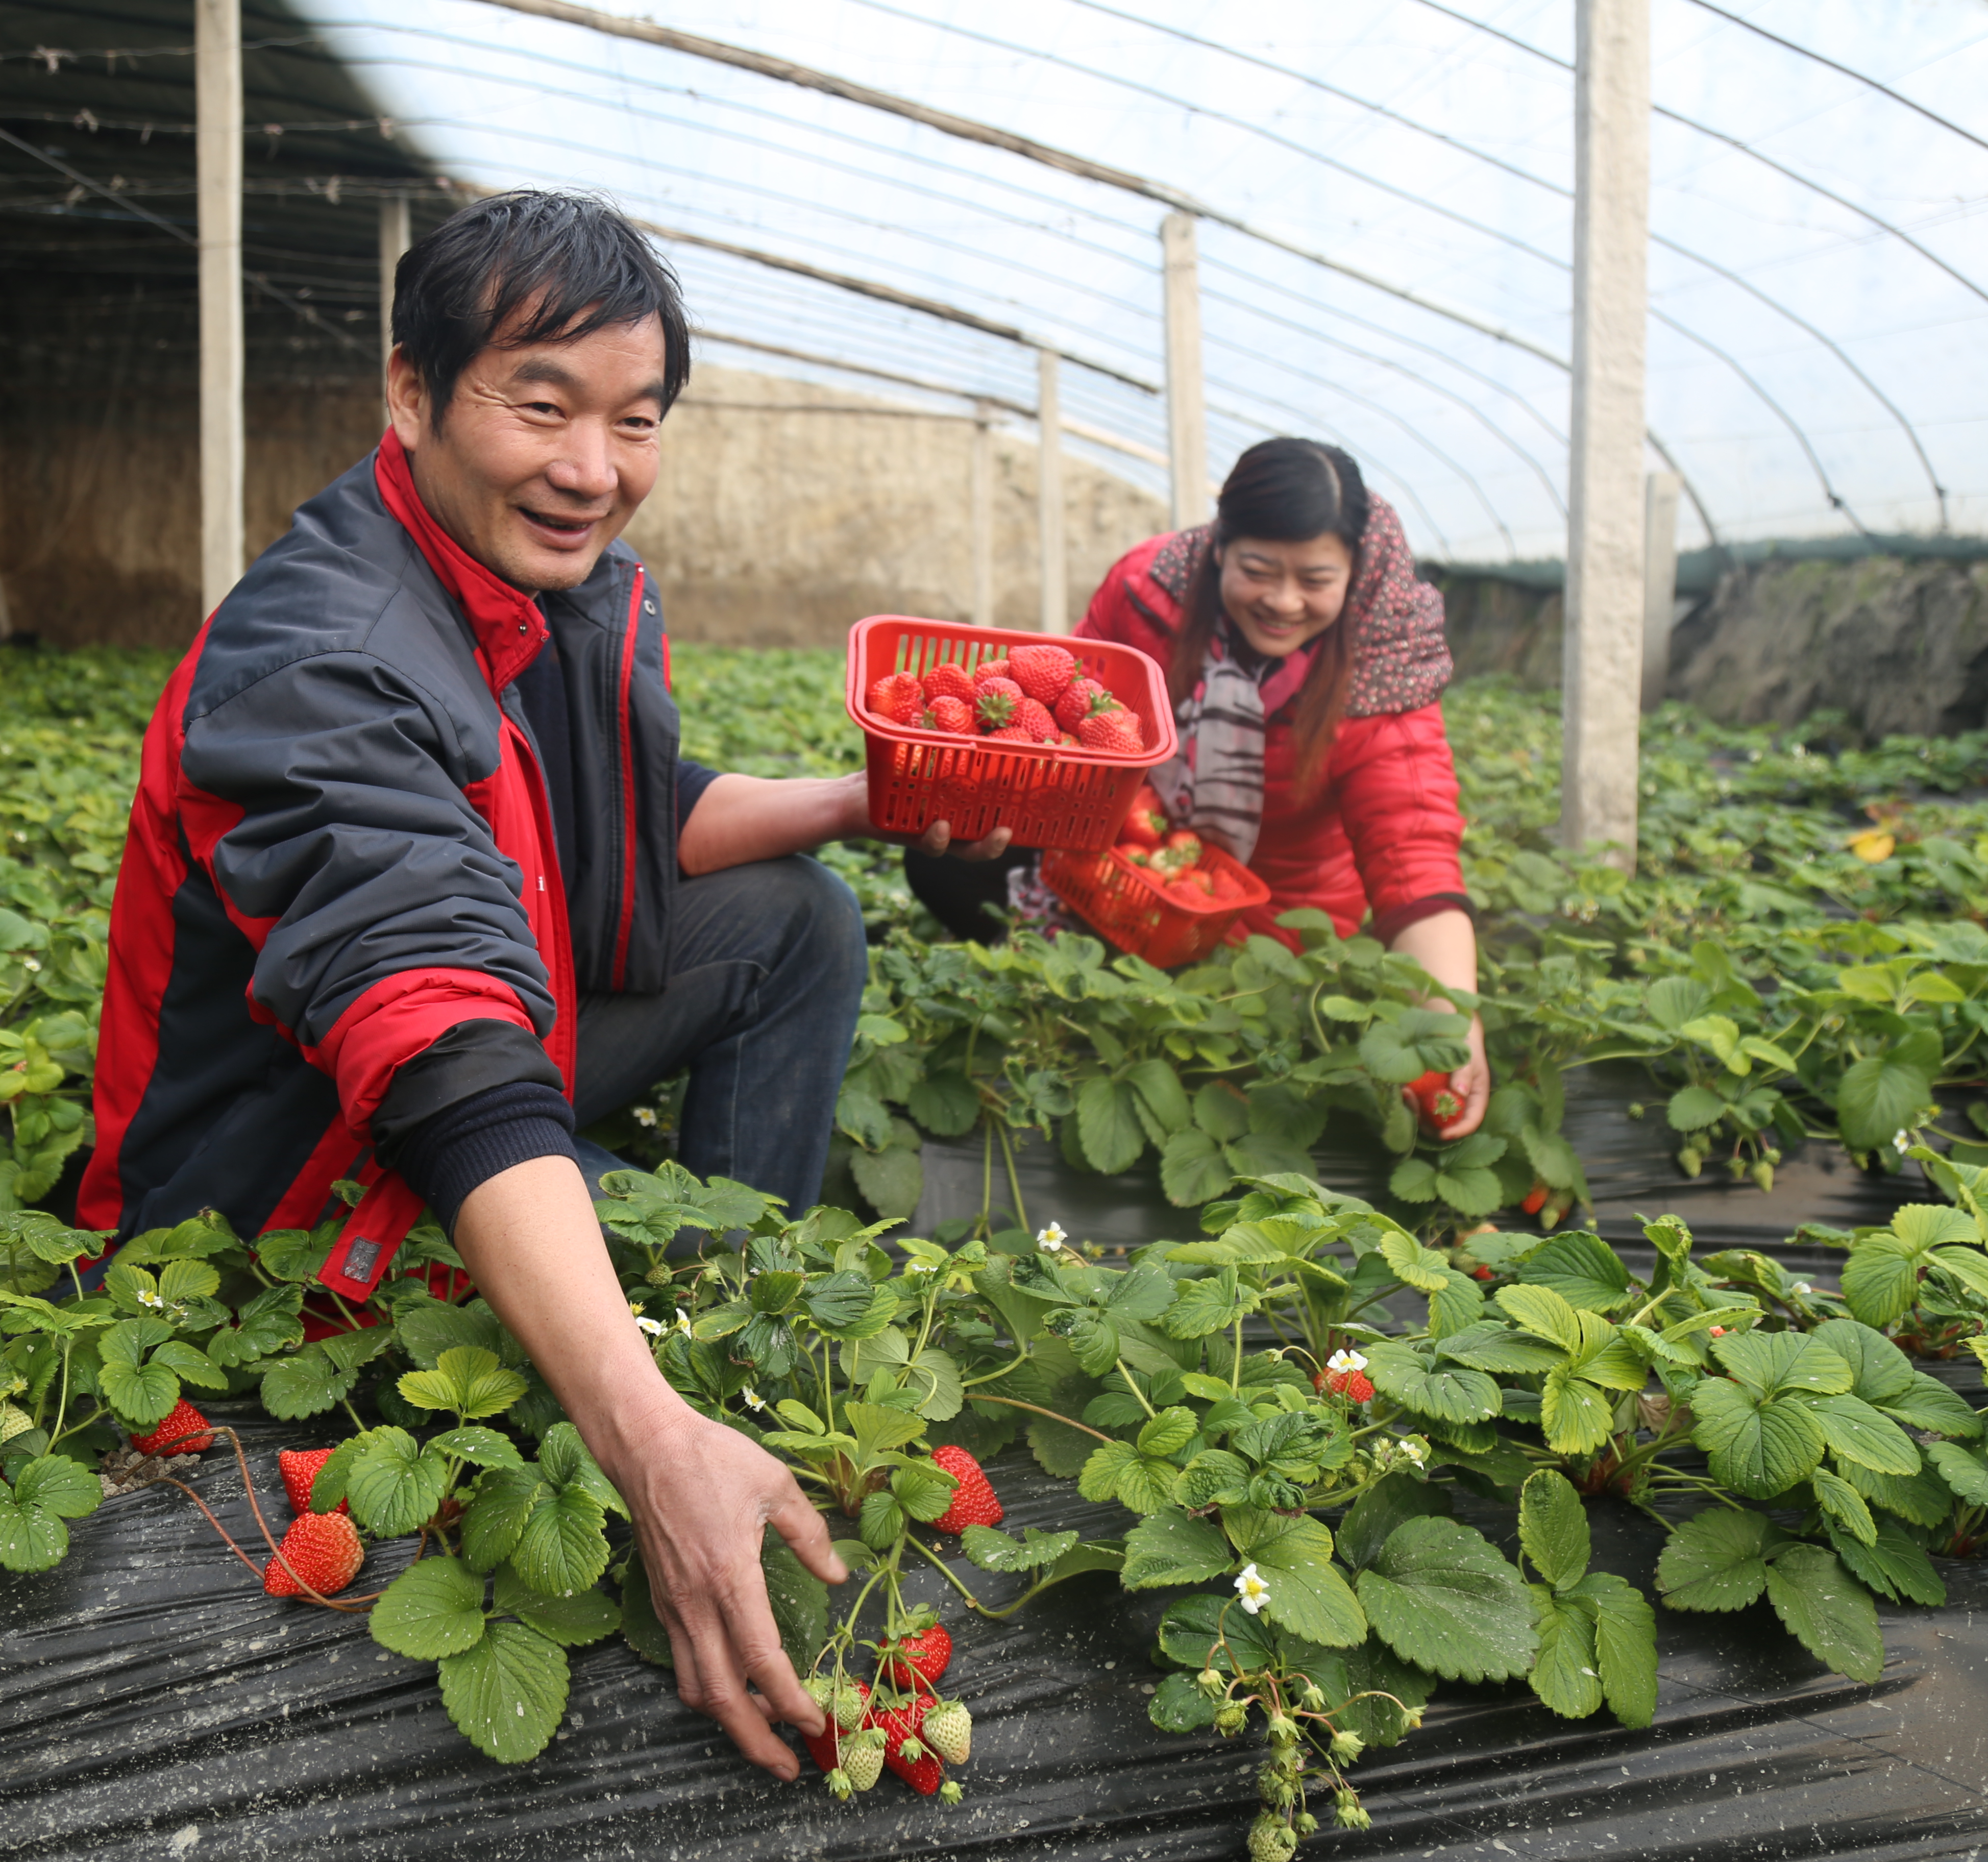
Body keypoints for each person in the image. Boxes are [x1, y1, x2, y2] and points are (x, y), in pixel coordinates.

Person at [79, 191, 996, 1778]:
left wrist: (877, 795)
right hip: (277, 1182)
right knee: (515, 1184)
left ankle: (717, 1322)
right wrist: (636, 1444)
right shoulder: (328, 650)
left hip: (451, 1063)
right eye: (542, 403)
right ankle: (658, 1404)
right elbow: (424, 1014)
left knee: (795, 917)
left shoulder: (533, 584)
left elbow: (637, 832)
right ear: (412, 392)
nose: (594, 467)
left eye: (635, 419)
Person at [909, 436, 1488, 1137]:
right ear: (1219, 546)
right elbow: (1073, 724)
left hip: (1263, 933)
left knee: (1228, 1049)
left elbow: (1413, 851)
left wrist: (1452, 1020)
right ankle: (1063, 996)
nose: (1282, 600)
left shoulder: (1385, 665)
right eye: (1259, 569)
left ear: (1355, 572)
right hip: (1123, 870)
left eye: (1315, 579)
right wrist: (987, 791)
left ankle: (1113, 1015)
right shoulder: (1148, 593)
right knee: (943, 858)